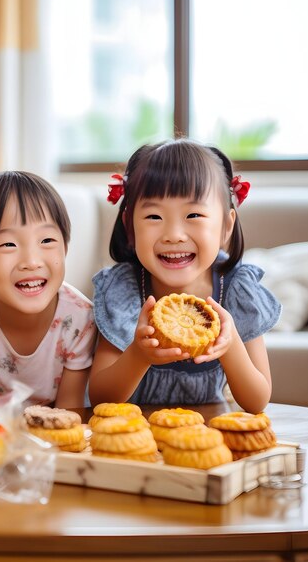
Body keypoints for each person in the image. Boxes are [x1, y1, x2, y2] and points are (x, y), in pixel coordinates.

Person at [89, 138, 281, 414]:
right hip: (136, 436)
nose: (174, 235)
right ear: (129, 225)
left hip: (207, 436)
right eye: (154, 217)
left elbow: (257, 400)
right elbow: (100, 398)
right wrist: (139, 355)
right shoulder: (125, 290)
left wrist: (229, 345)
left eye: (193, 214)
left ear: (226, 226)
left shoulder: (236, 288)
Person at [0, 171, 96, 417]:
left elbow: (69, 411)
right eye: (9, 244)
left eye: (47, 240)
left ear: (65, 249)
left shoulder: (80, 318)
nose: (31, 261)